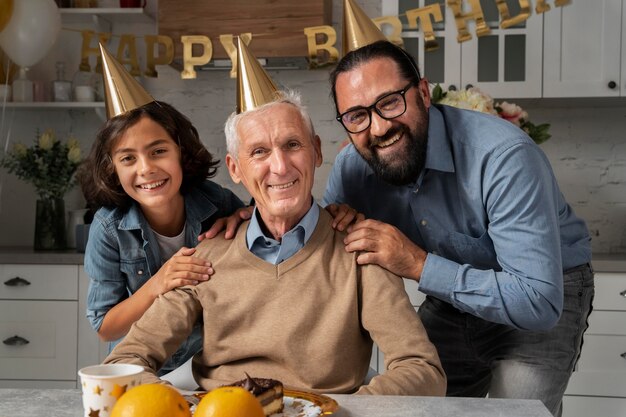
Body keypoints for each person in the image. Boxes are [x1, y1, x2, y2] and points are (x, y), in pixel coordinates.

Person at [103, 91, 446, 396]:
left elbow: (422, 370)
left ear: (315, 151)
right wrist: (180, 405)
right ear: (235, 169)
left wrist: (344, 412)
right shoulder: (206, 256)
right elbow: (125, 359)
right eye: (259, 152)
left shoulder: (361, 251)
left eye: (292, 145)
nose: (279, 167)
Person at [321, 40, 593, 416]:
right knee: (418, 410)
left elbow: (538, 301)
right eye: (356, 115)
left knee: (516, 414)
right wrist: (242, 216)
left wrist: (416, 263)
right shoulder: (352, 168)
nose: (378, 127)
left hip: (543, 296)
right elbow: (319, 250)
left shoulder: (504, 157)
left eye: (389, 103)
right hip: (452, 303)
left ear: (422, 93)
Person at [78, 100, 244, 375]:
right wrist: (158, 283)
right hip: (140, 368)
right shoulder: (108, 228)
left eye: (158, 151)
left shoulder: (218, 202)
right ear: (113, 169)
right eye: (128, 158)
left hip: (210, 367)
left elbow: (266, 242)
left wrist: (245, 218)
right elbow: (106, 328)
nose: (146, 169)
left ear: (181, 152)